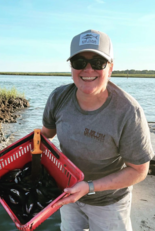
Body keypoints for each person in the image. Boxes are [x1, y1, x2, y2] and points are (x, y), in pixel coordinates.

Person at [41, 29, 154, 231]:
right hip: (67, 193)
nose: (88, 69)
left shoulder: (129, 112)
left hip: (109, 202)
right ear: (71, 67)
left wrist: (89, 187)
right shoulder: (58, 98)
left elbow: (139, 171)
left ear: (110, 68)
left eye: (98, 63)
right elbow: (46, 135)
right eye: (79, 62)